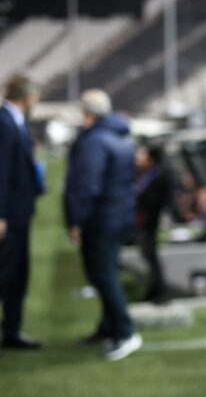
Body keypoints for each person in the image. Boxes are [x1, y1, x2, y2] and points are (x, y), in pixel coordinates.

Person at [65, 89, 142, 361]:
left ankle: (125, 332)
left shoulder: (96, 141)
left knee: (103, 275)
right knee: (106, 272)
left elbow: (87, 186)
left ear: (88, 113)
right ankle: (108, 327)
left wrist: (77, 219)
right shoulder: (122, 136)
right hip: (119, 215)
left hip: (102, 218)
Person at [0, 74, 44, 350]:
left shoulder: (15, 121)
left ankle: (12, 331)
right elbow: (1, 171)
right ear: (27, 95)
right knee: (5, 273)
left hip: (20, 211)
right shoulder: (4, 122)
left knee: (17, 273)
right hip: (10, 215)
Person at [135, 144, 170, 304]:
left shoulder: (158, 176)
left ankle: (160, 291)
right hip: (143, 222)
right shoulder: (146, 175)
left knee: (151, 256)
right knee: (148, 255)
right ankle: (154, 289)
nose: (138, 158)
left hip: (150, 222)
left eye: (142, 155)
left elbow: (154, 201)